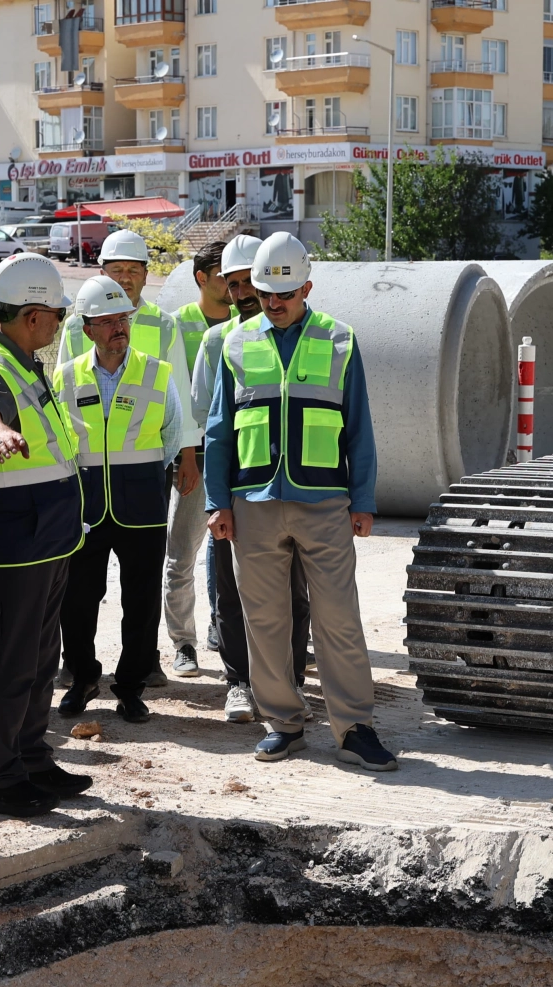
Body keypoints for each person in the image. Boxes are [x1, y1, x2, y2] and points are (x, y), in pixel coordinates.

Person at [204, 233, 395, 771]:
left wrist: (363, 499)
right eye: (265, 293)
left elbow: (359, 427)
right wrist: (217, 501)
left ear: (307, 287)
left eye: (284, 294)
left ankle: (354, 727)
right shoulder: (235, 343)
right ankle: (282, 724)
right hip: (254, 504)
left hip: (324, 502)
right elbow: (219, 430)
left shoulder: (340, 339)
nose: (273, 302)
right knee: (265, 620)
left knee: (338, 618)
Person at [0, 252, 90, 816]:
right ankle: (0, 780)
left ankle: (31, 757)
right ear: (32, 315)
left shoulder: (25, 358)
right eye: (55, 313)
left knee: (38, 656)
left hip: (45, 539)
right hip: (14, 546)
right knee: (10, 666)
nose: (60, 323)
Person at [59, 228, 200, 688]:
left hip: (143, 473)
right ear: (103, 272)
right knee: (80, 587)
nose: (125, 279)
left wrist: (186, 456)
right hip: (85, 480)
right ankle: (78, 669)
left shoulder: (162, 323)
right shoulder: (76, 322)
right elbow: (62, 389)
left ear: (145, 275)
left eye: (133, 271)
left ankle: (141, 665)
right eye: (116, 271)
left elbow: (177, 390)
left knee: (140, 583)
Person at [194, 235, 311, 723]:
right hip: (241, 486)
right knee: (231, 587)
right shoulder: (219, 341)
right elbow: (208, 417)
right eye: (235, 283)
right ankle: (240, 681)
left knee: (294, 590)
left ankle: (291, 680)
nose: (243, 292)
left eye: (251, 282)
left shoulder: (305, 335)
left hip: (294, 486)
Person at [160, 239, 232, 680]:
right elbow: (177, 398)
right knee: (182, 551)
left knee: (230, 552)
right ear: (201, 278)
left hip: (239, 454)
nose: (231, 284)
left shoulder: (251, 322)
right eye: (223, 275)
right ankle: (182, 643)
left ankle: (220, 629)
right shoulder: (177, 325)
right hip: (196, 455)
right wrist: (184, 455)